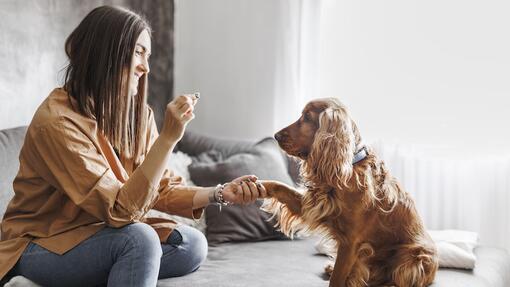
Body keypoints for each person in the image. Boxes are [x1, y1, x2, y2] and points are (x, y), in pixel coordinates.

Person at [0, 5, 266, 287]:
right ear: (106, 52)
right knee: (140, 240)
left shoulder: (138, 117)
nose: (146, 67)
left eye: (147, 55)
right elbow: (120, 211)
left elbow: (159, 188)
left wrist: (221, 193)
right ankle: (27, 278)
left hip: (97, 237)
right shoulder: (57, 123)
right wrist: (168, 138)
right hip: (38, 246)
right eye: (138, 52)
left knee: (191, 245)